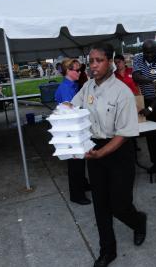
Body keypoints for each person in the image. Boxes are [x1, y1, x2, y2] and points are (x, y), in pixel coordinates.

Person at [72, 43, 147, 267]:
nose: (93, 65)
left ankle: (138, 221)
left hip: (118, 151)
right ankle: (108, 250)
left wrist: (101, 153)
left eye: (99, 60)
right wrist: (64, 109)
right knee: (100, 205)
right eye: (91, 61)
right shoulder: (87, 88)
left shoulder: (122, 91)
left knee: (119, 204)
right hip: (95, 149)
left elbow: (124, 133)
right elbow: (73, 107)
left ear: (110, 62)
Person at [132, 39, 156, 184]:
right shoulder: (137, 59)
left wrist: (150, 109)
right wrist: (150, 81)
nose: (148, 55)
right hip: (147, 100)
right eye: (146, 52)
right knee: (151, 135)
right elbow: (135, 76)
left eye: (151, 52)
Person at [55, 58, 91, 205]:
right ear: (68, 71)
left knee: (80, 161)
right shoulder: (65, 89)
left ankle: (82, 184)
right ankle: (76, 195)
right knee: (75, 163)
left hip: (76, 128)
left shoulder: (73, 85)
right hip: (71, 130)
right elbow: (71, 113)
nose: (80, 72)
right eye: (77, 70)